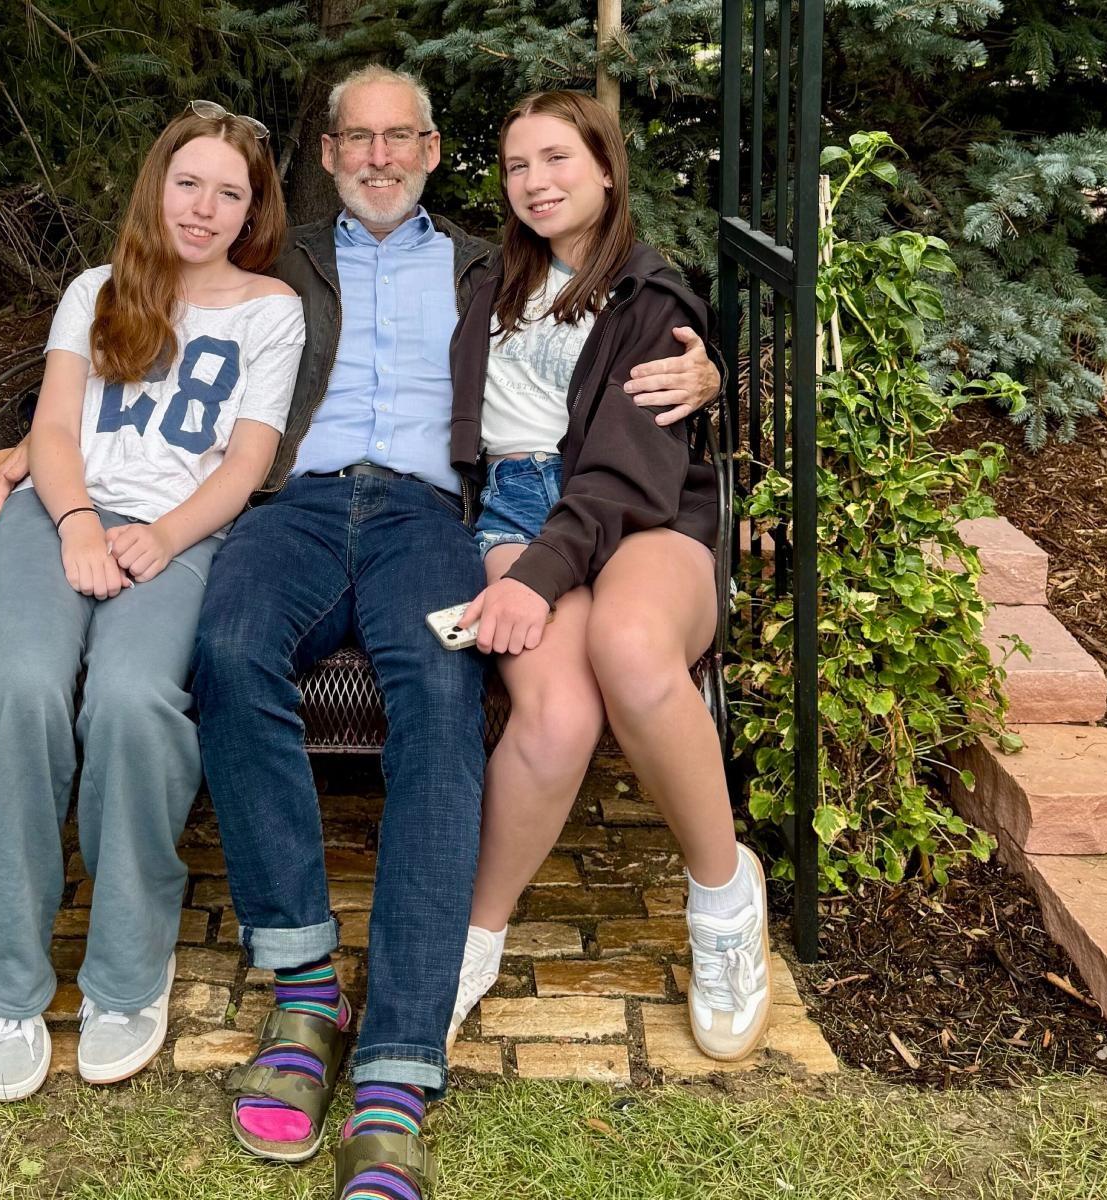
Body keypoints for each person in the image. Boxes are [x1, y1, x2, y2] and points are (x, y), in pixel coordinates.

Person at [189, 67, 721, 1198]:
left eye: (403, 138)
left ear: (433, 152)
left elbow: (613, 312)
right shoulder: (271, 261)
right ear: (326, 156)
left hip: (432, 517)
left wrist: (701, 364)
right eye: (356, 141)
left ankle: (397, 1058)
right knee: (229, 651)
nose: (379, 157)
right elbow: (147, 308)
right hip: (294, 505)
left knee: (437, 695)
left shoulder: (497, 260)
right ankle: (304, 988)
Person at [0, 103, 304, 1102]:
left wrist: (160, 535)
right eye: (188, 182)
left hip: (184, 535)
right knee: (20, 688)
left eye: (228, 193)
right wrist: (75, 527)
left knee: (132, 701)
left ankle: (123, 972)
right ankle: (10, 986)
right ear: (159, 185)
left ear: (250, 211)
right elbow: (55, 429)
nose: (203, 207)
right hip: (59, 519)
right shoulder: (96, 292)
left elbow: (245, 465)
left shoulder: (270, 312)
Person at [444, 91, 769, 1065]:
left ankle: (722, 896)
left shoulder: (652, 300)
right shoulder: (484, 280)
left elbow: (625, 477)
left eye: (556, 160)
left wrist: (533, 582)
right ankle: (471, 939)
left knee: (630, 648)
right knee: (557, 714)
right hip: (513, 511)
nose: (536, 182)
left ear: (606, 170)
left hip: (643, 515)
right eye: (516, 167)